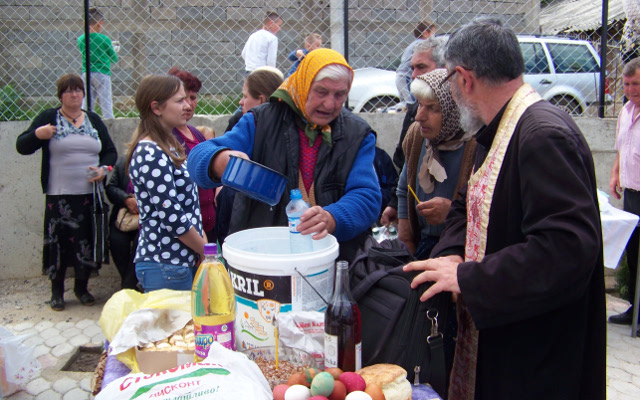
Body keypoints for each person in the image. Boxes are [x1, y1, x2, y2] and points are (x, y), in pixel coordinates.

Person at [403, 18, 606, 399]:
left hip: (535, 354)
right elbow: (467, 205)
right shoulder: (497, 126)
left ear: (463, 78)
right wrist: (447, 259)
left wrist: (469, 278)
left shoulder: (542, 135)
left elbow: (567, 249)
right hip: (500, 337)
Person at [188, 49, 381, 261]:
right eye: (321, 92)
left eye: (340, 94)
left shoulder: (356, 134)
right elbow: (198, 156)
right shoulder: (261, 122)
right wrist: (219, 160)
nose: (330, 104)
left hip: (330, 260)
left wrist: (332, 217)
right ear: (303, 84)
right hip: (265, 257)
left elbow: (367, 195)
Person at [16, 73, 117, 311]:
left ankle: (81, 288)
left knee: (85, 241)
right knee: (58, 242)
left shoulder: (93, 119)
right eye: (69, 91)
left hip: (88, 194)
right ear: (60, 95)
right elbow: (22, 146)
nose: (74, 94)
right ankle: (57, 291)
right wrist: (37, 135)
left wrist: (104, 169)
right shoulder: (49, 118)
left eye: (78, 90)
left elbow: (110, 152)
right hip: (59, 195)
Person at [126, 74, 206, 292]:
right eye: (179, 101)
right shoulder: (150, 152)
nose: (187, 105)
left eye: (187, 99)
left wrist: (201, 250)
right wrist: (208, 252)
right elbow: (173, 218)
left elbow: (190, 207)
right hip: (165, 265)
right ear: (156, 108)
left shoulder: (169, 145)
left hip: (179, 262)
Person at [396, 69, 474, 260]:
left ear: (454, 111)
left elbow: (488, 212)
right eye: (420, 105)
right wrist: (406, 237)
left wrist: (453, 212)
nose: (419, 116)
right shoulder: (417, 136)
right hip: (421, 243)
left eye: (432, 108)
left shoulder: (476, 146)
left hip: (459, 250)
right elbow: (404, 188)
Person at [381, 36, 448, 227]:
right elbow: (405, 169)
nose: (413, 75)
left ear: (446, 69)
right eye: (412, 68)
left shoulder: (470, 129)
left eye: (421, 67)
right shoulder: (414, 117)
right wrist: (396, 206)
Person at [217, 67, 285, 244]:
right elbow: (212, 152)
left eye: (245, 96)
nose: (240, 102)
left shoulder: (277, 128)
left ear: (261, 99)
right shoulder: (240, 121)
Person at [167, 67, 216, 243]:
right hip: (184, 236)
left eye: (193, 98)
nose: (188, 104)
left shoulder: (197, 134)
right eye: (181, 99)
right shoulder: (166, 139)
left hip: (207, 228)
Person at [608, 57, 640, 327]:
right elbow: (622, 147)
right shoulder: (625, 112)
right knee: (634, 253)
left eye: (637, 84)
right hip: (631, 192)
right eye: (628, 84)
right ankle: (634, 309)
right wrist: (616, 172)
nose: (631, 89)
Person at [77, 7, 119, 119]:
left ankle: (85, 121)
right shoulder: (105, 39)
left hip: (86, 73)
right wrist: (114, 50)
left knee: (86, 103)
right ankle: (109, 124)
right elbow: (114, 58)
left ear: (84, 23)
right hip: (102, 73)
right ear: (100, 24)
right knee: (106, 103)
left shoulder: (81, 39)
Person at [105, 157, 139, 291]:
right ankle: (129, 283)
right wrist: (125, 199)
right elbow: (110, 188)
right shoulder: (123, 163)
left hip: (148, 218)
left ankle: (128, 286)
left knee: (140, 243)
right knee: (117, 241)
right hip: (124, 216)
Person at [395, 21, 436, 105]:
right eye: (433, 33)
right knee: (413, 103)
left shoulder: (412, 44)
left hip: (401, 76)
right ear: (425, 33)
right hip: (406, 76)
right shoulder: (421, 45)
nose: (434, 36)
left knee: (405, 103)